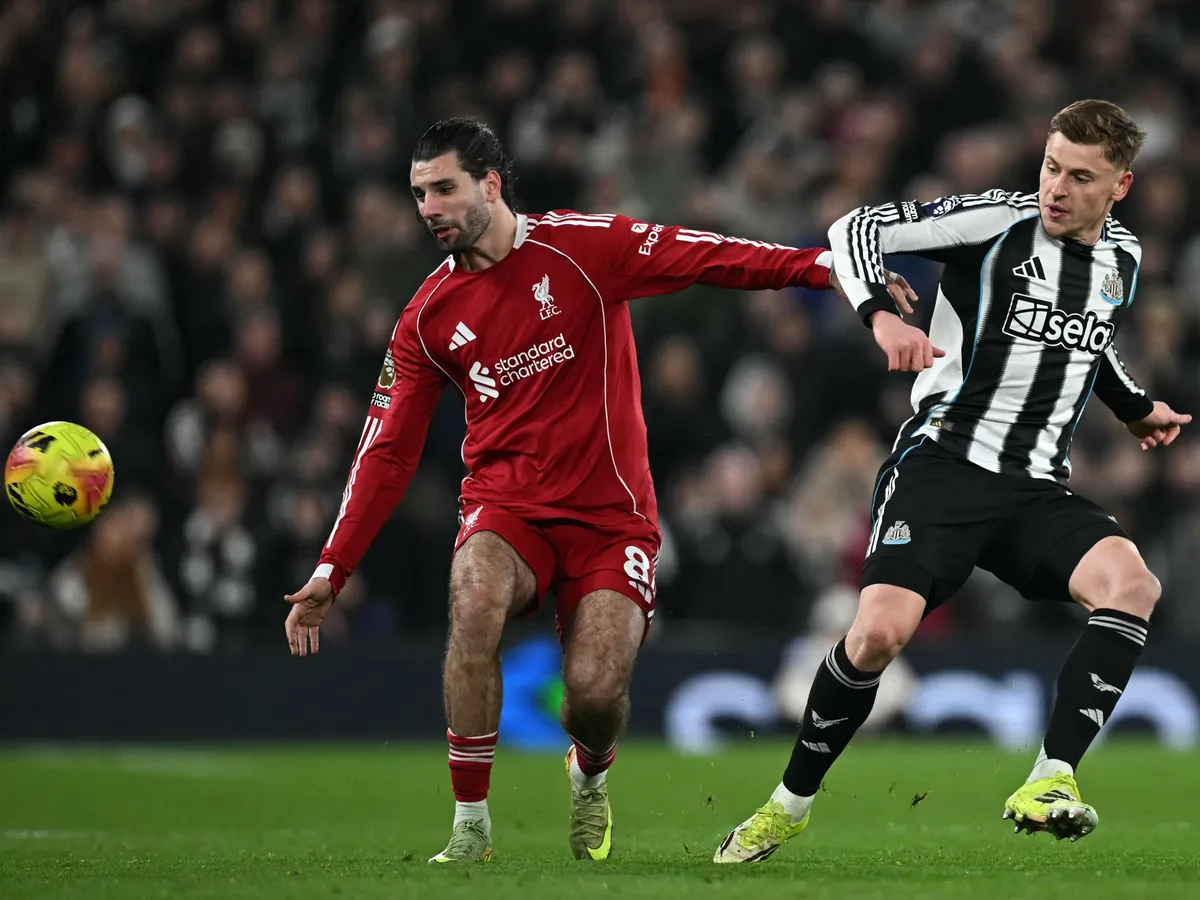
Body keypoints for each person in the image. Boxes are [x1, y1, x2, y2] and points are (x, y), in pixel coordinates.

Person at [281, 117, 914, 863]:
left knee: (592, 695)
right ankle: (471, 827)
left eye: (443, 188)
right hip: (505, 507)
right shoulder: (426, 317)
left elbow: (707, 256)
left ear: (489, 185)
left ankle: (588, 775)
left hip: (612, 520)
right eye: (419, 193)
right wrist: (333, 567)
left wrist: (821, 269)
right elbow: (384, 448)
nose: (428, 208)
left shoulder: (580, 249)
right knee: (474, 596)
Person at [715, 99, 1192, 863]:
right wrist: (879, 315)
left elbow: (1088, 346)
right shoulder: (995, 220)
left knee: (1132, 585)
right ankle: (789, 803)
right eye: (1049, 166)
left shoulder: (1123, 261)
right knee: (876, 635)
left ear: (1121, 187)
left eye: (1079, 176)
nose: (1056, 187)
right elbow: (854, 229)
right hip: (943, 465)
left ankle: (1052, 777)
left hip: (1036, 486)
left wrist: (1134, 409)